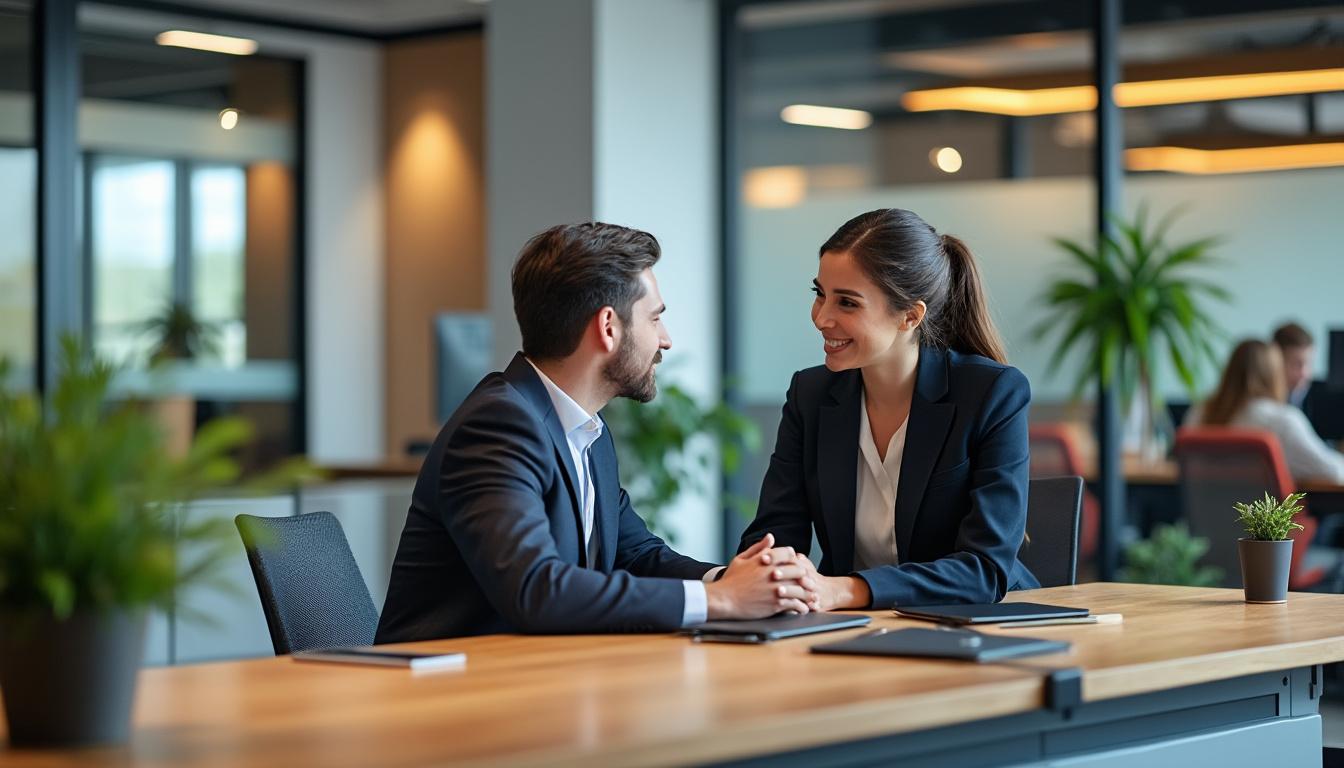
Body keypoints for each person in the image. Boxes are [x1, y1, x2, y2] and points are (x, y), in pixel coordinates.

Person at [376, 222, 815, 642]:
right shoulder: (498, 425)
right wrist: (721, 600)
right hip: (449, 685)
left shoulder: (588, 429)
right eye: (654, 319)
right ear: (608, 327)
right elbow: (536, 589)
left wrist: (728, 579)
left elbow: (635, 554)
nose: (665, 339)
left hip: (535, 676)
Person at [739, 208, 1039, 611]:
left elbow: (984, 569)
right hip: (854, 625)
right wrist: (771, 576)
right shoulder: (810, 395)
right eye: (820, 293)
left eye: (847, 303)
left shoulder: (991, 393)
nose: (821, 317)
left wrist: (842, 590)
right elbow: (774, 537)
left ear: (910, 316)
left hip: (980, 621)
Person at [1185, 339, 1344, 484]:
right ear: (1275, 374)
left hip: (1210, 508)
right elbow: (1333, 472)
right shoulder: (1282, 420)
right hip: (1266, 509)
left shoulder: (1199, 413)